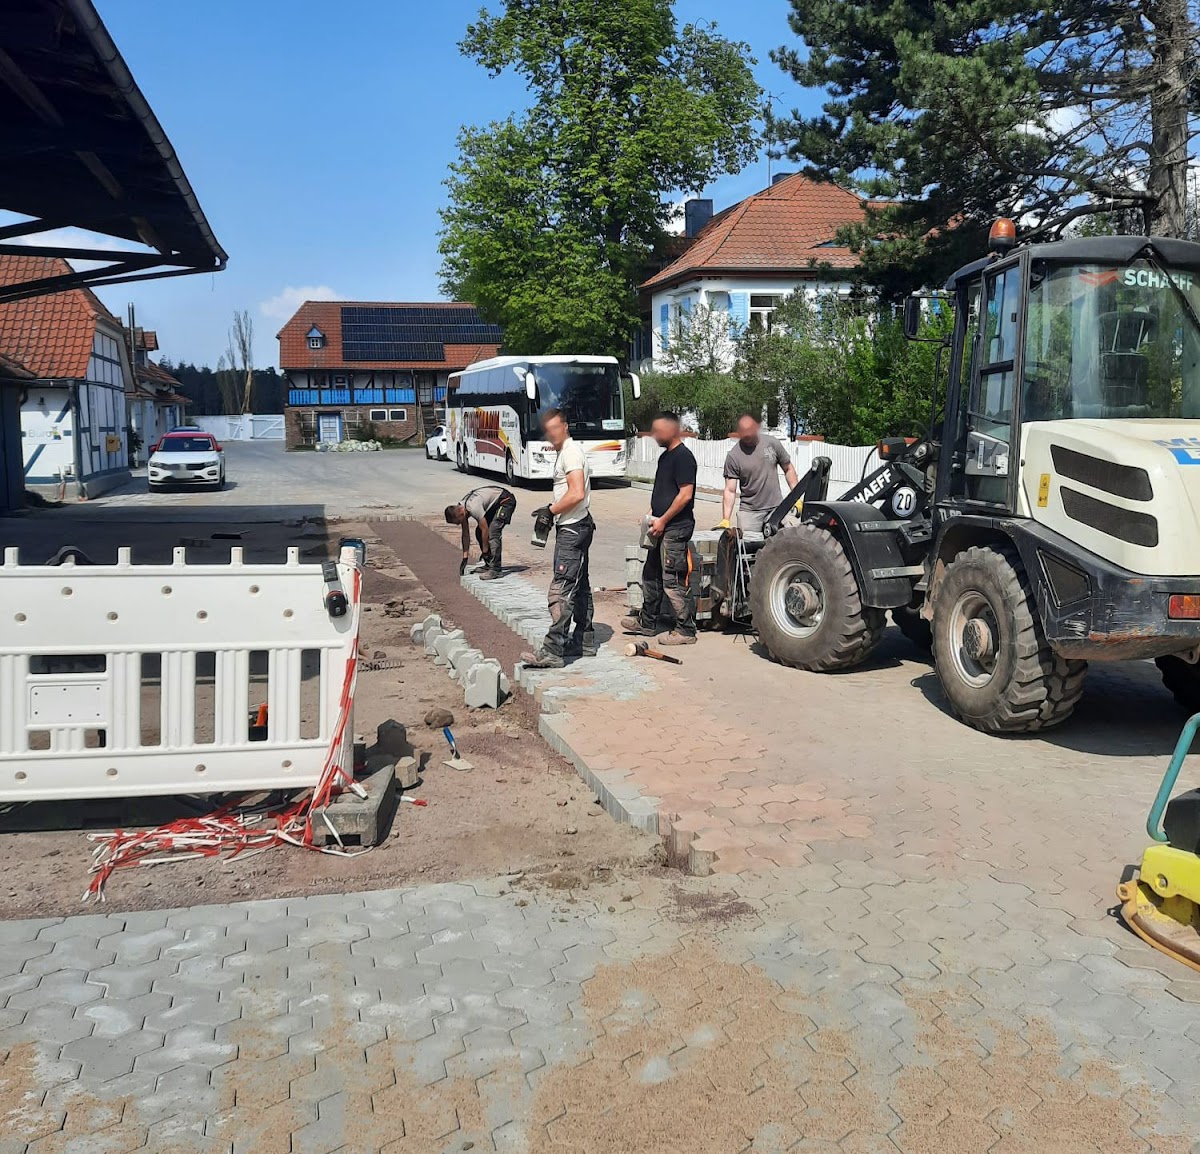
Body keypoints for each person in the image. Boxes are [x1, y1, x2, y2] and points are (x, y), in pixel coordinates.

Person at [521, 409, 596, 668]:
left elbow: (576, 493)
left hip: (573, 529)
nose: (551, 433)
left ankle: (553, 650)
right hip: (577, 524)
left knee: (562, 588)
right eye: (548, 430)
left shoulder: (571, 452)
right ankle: (584, 640)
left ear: (565, 426)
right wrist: (552, 509)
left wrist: (550, 511)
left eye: (555, 428)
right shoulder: (567, 452)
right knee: (580, 585)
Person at [621, 412, 698, 646]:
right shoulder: (665, 457)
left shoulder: (684, 458)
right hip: (661, 526)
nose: (654, 435)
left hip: (676, 528)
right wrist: (651, 516)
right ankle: (647, 623)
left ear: (672, 430)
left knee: (672, 580)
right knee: (650, 574)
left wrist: (663, 520)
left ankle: (686, 630)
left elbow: (685, 495)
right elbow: (664, 492)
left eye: (658, 430)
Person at [720, 413, 800, 534]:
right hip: (750, 512)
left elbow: (788, 469)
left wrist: (796, 497)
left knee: (790, 538)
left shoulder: (772, 443)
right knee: (745, 543)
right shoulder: (734, 456)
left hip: (777, 507)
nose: (747, 435)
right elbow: (730, 490)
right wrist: (726, 519)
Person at [444, 485, 517, 580]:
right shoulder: (462, 507)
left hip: (505, 501)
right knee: (479, 532)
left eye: (457, 522)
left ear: (461, 514)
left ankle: (495, 569)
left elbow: (485, 529)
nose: (458, 524)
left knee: (493, 532)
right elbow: (465, 535)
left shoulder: (473, 508)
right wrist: (465, 558)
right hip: (494, 505)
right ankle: (489, 564)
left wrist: (485, 550)